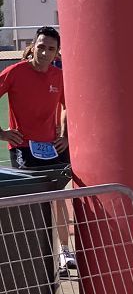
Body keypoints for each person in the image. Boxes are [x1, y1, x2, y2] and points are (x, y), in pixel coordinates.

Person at [0, 26, 76, 274]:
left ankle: (65, 252)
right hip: (23, 147)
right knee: (30, 203)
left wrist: (64, 135)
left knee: (57, 199)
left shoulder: (58, 76)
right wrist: (1, 133)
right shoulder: (14, 73)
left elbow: (67, 106)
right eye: (41, 46)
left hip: (53, 148)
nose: (44, 52)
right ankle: (32, 257)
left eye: (51, 49)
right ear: (33, 46)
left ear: (57, 53)